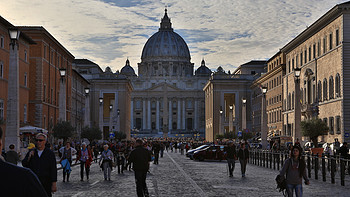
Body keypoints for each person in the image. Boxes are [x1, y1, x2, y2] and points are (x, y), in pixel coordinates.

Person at [0, 127, 48, 197]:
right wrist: (29, 158)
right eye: (36, 140)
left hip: (45, 180)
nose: (38, 142)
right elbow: (24, 163)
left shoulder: (49, 153)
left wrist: (54, 182)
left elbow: (52, 167)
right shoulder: (24, 176)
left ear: (45, 141)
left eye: (40, 140)